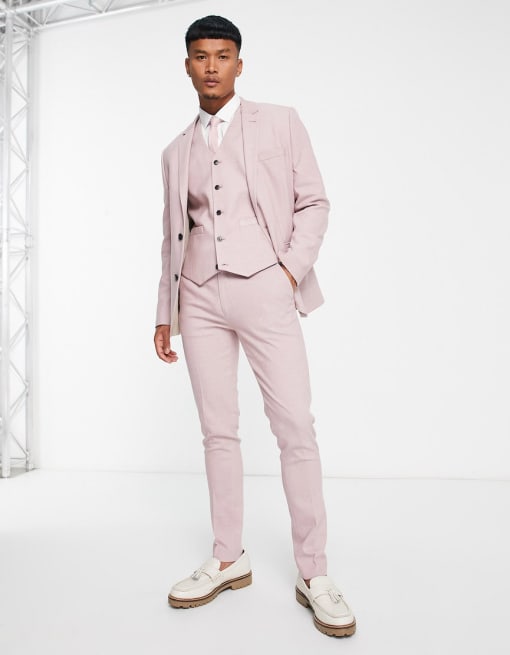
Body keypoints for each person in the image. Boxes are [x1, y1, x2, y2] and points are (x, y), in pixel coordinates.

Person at [153, 15, 356, 638]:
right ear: (187, 66)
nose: (211, 66)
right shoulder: (174, 151)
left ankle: (314, 572)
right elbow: (171, 235)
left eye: (222, 55)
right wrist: (165, 312)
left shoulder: (281, 122)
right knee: (218, 431)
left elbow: (314, 201)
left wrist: (288, 273)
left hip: (266, 288)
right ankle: (227, 557)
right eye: (200, 56)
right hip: (199, 298)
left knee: (295, 427)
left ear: (240, 64)